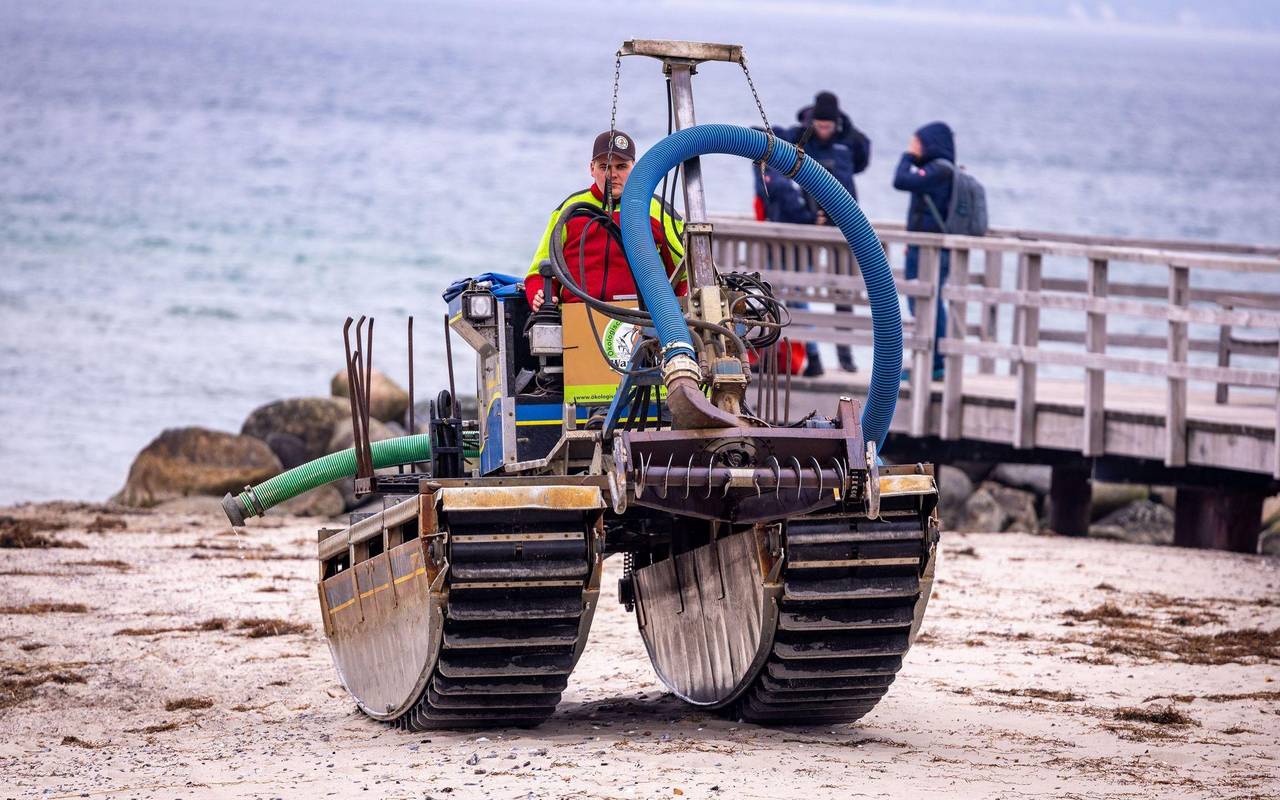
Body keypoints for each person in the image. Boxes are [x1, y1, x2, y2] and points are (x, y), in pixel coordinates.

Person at [525, 130, 684, 310]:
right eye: (604, 167)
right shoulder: (569, 210)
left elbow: (683, 276)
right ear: (592, 168)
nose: (612, 174)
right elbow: (538, 272)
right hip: (576, 317)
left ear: (635, 167)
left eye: (621, 167)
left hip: (643, 319)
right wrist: (540, 294)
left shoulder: (659, 211)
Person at [768, 91, 867, 376]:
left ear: (837, 123)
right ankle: (813, 355)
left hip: (843, 225)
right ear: (812, 120)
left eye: (829, 125)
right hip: (808, 225)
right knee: (797, 287)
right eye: (819, 125)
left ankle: (845, 355)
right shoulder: (801, 137)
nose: (824, 130)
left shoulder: (849, 142)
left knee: (843, 291)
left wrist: (846, 130)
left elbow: (863, 158)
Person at [893, 121, 955, 380]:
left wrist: (907, 155)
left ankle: (936, 362)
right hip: (922, 247)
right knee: (924, 301)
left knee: (928, 301)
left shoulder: (938, 171)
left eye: (917, 141)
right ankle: (930, 360)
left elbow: (900, 180)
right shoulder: (939, 171)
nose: (913, 146)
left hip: (930, 250)